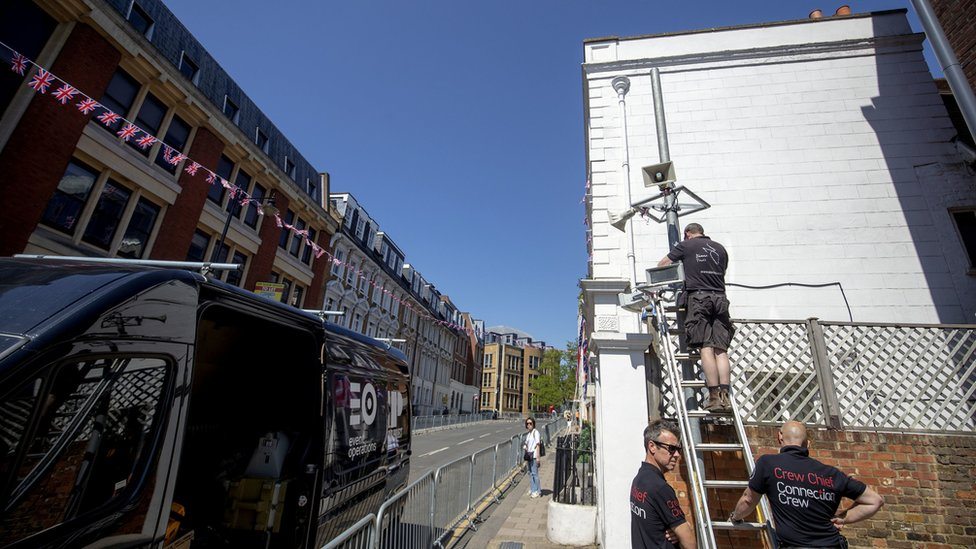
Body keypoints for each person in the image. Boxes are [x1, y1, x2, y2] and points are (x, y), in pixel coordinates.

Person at [728, 421, 884, 548]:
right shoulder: (831, 474)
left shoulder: (769, 464)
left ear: (779, 437)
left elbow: (748, 500)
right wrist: (841, 518)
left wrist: (735, 517)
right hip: (833, 544)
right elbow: (875, 501)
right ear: (808, 444)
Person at [658, 222, 734, 412]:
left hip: (699, 298)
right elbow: (723, 272)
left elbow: (663, 264)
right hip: (720, 298)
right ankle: (727, 397)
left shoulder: (686, 245)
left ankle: (714, 396)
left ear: (687, 234)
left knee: (706, 347)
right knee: (721, 350)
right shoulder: (720, 249)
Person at [630, 420, 696, 549]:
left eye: (678, 449)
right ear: (652, 446)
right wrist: (679, 532)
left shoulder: (639, 479)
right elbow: (689, 542)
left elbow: (653, 524)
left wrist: (673, 529)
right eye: (671, 448)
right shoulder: (660, 488)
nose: (677, 455)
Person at [523, 417, 542, 498]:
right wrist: (525, 447)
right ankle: (532, 489)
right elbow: (527, 444)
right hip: (529, 455)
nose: (529, 425)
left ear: (533, 424)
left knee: (535, 474)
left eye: (530, 423)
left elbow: (538, 445)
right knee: (530, 473)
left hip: (534, 456)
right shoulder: (528, 434)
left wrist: (538, 457)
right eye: (527, 423)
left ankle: (537, 491)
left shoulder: (535, 432)